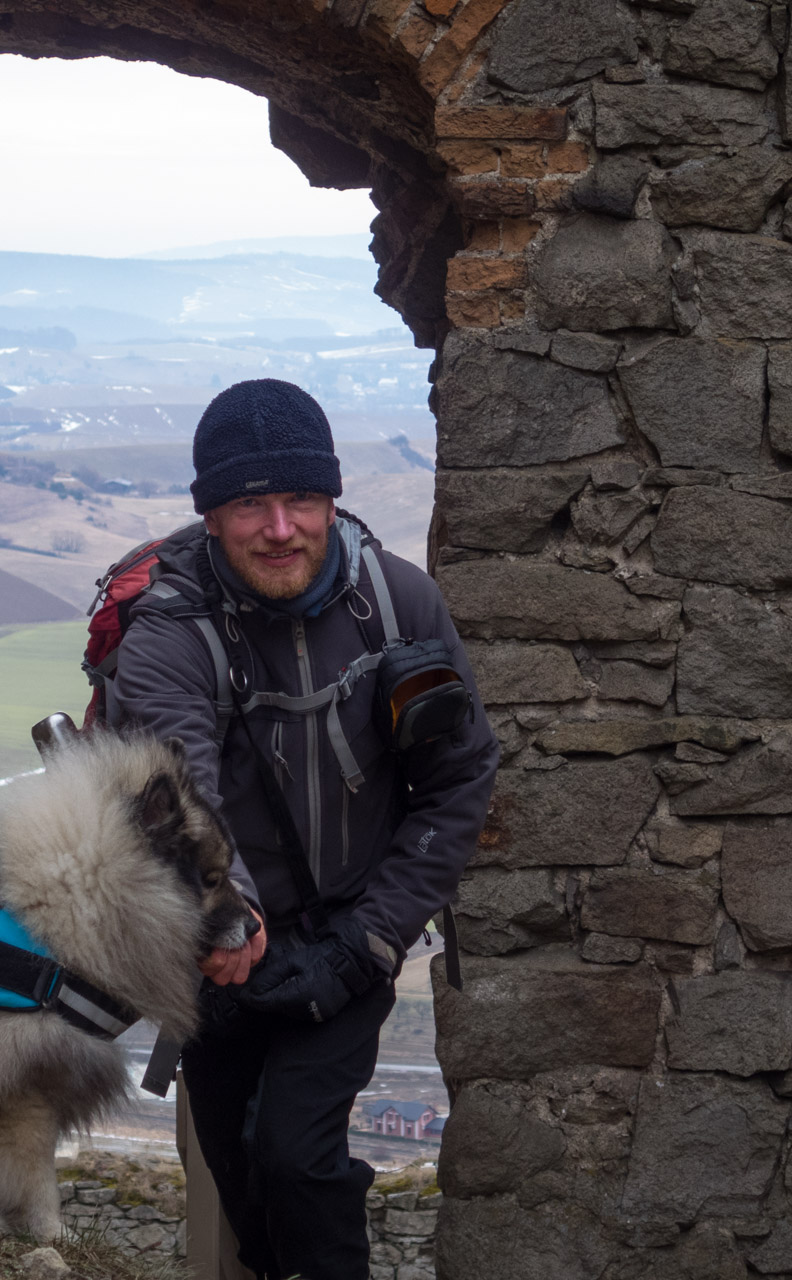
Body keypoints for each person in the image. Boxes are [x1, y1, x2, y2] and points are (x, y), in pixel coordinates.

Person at [110, 378, 500, 1280]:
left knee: (299, 1157)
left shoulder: (399, 606)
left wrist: (368, 940)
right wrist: (229, 918)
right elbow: (177, 791)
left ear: (331, 500)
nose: (280, 529)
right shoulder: (170, 630)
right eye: (251, 503)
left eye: (301, 500)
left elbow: (458, 779)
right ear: (211, 515)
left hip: (352, 932)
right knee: (241, 1173)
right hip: (218, 946)